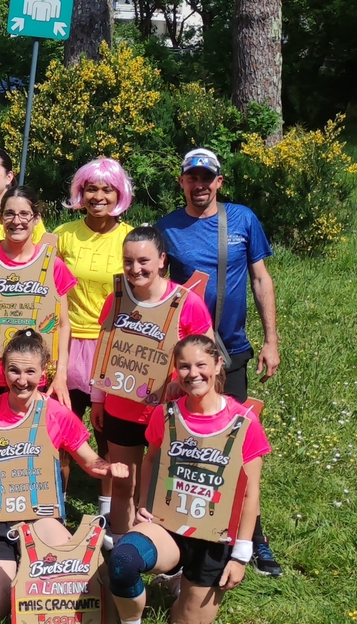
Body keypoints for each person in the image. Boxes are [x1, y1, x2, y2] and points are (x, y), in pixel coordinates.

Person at [0, 329, 127, 616]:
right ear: (3, 370)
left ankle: (26, 566)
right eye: (14, 371)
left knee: (67, 587)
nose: (21, 380)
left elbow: (90, 462)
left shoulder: (57, 414)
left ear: (43, 372)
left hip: (42, 516)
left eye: (29, 371)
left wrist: (109, 468)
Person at [157, 148, 282, 576]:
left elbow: (261, 278)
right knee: (188, 449)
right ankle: (185, 532)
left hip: (232, 351)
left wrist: (271, 340)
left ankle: (253, 539)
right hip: (187, 358)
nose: (200, 184)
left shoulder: (243, 219)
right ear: (182, 182)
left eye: (206, 177)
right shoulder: (167, 228)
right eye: (191, 177)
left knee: (240, 453)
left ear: (219, 182)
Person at [107, 335, 269, 624]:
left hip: (214, 540)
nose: (193, 374)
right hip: (168, 527)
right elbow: (151, 458)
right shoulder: (166, 415)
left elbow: (250, 492)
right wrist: (144, 503)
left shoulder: (244, 422)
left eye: (201, 364)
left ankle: (177, 585)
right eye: (184, 366)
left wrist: (241, 555)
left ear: (219, 365)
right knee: (122, 562)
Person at [92, 226, 212, 538]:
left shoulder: (188, 303)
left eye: (143, 261)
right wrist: (98, 399)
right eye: (128, 261)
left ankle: (168, 558)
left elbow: (209, 361)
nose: (135, 269)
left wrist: (182, 386)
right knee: (123, 486)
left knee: (168, 490)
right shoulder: (115, 300)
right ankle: (120, 550)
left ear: (161, 259)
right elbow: (104, 352)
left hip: (171, 412)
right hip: (121, 408)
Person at [0, 185, 74, 410]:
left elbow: (63, 325)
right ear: (0, 218)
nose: (16, 221)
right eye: (9, 213)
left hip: (31, 378)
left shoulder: (53, 265)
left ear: (36, 218)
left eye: (24, 214)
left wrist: (61, 375)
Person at [52, 157, 135, 422]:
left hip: (113, 344)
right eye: (91, 189)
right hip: (67, 342)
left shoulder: (131, 239)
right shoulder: (63, 235)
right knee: (61, 428)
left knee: (110, 432)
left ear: (119, 194)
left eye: (107, 190)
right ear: (80, 192)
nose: (98, 196)